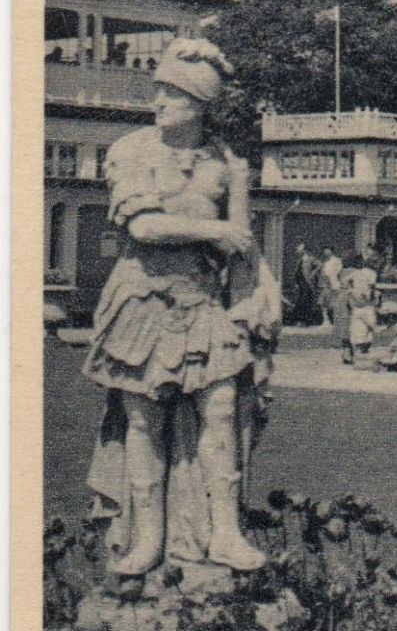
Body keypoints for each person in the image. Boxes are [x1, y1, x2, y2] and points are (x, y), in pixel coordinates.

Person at [81, 38, 280, 577]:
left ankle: (225, 533)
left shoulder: (225, 164)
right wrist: (214, 229)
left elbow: (240, 244)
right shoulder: (131, 150)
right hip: (140, 298)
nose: (159, 102)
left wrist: (258, 292)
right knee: (144, 419)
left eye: (172, 93)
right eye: (159, 92)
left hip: (202, 301)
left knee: (220, 409)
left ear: (200, 104)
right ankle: (147, 538)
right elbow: (144, 228)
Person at [319, 246, 343, 327]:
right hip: (326, 285)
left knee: (335, 304)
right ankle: (326, 320)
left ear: (331, 251)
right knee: (323, 303)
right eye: (324, 250)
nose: (325, 252)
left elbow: (339, 273)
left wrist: (337, 283)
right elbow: (324, 274)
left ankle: (336, 321)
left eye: (327, 250)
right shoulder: (325, 262)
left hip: (334, 284)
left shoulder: (337, 260)